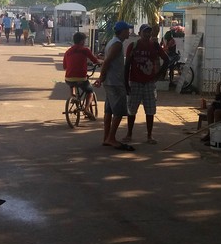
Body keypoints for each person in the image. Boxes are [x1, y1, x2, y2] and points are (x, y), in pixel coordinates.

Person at [123, 24, 170, 145]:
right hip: (135, 82)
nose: (147, 34)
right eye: (145, 32)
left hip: (149, 83)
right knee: (132, 110)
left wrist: (159, 74)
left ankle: (149, 135)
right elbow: (127, 65)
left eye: (149, 32)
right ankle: (129, 133)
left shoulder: (154, 45)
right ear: (139, 33)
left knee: (150, 110)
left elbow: (167, 59)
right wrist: (126, 84)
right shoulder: (133, 46)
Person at [94, 21, 135, 151]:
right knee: (118, 112)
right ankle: (111, 138)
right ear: (122, 31)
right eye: (127, 30)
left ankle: (106, 137)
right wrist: (101, 77)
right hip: (115, 82)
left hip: (111, 81)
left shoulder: (113, 42)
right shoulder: (117, 44)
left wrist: (102, 78)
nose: (129, 32)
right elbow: (107, 62)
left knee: (109, 110)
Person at [63, 32, 102, 120]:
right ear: (81, 41)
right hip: (81, 78)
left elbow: (65, 66)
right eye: (84, 40)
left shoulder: (68, 52)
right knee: (90, 91)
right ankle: (86, 109)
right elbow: (94, 60)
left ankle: (73, 96)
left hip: (68, 78)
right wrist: (100, 62)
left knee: (71, 83)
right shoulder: (85, 50)